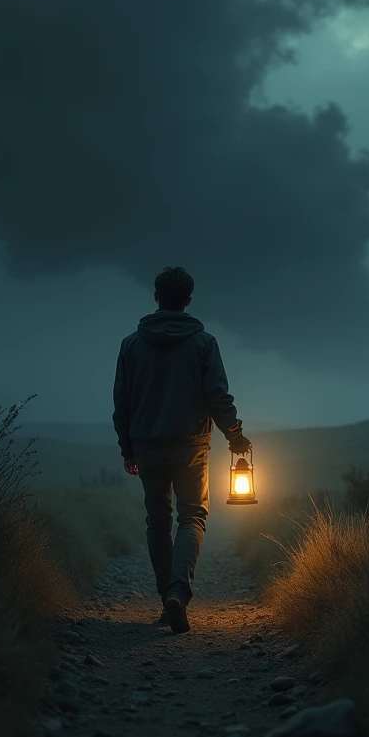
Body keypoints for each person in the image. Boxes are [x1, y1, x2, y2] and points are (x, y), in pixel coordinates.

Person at [112, 266, 251, 633]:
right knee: (192, 517)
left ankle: (165, 600)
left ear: (156, 296)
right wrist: (235, 436)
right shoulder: (204, 343)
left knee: (157, 521)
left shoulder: (130, 344)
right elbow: (218, 396)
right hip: (191, 445)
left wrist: (128, 448)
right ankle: (178, 591)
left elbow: (121, 403)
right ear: (188, 300)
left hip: (146, 445)